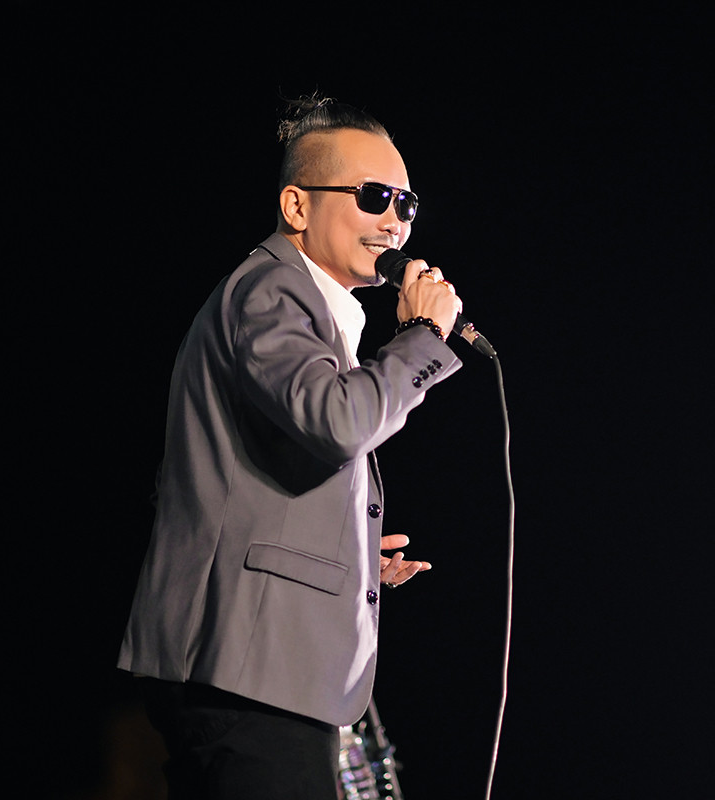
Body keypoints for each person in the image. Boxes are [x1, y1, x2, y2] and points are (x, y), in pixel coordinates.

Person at [117, 96, 464, 798]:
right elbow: (337, 422)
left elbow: (264, 468)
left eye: (405, 203)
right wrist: (423, 339)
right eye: (373, 197)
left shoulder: (308, 307)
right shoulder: (270, 288)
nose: (394, 221)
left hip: (266, 669)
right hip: (245, 669)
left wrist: (351, 551)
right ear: (297, 206)